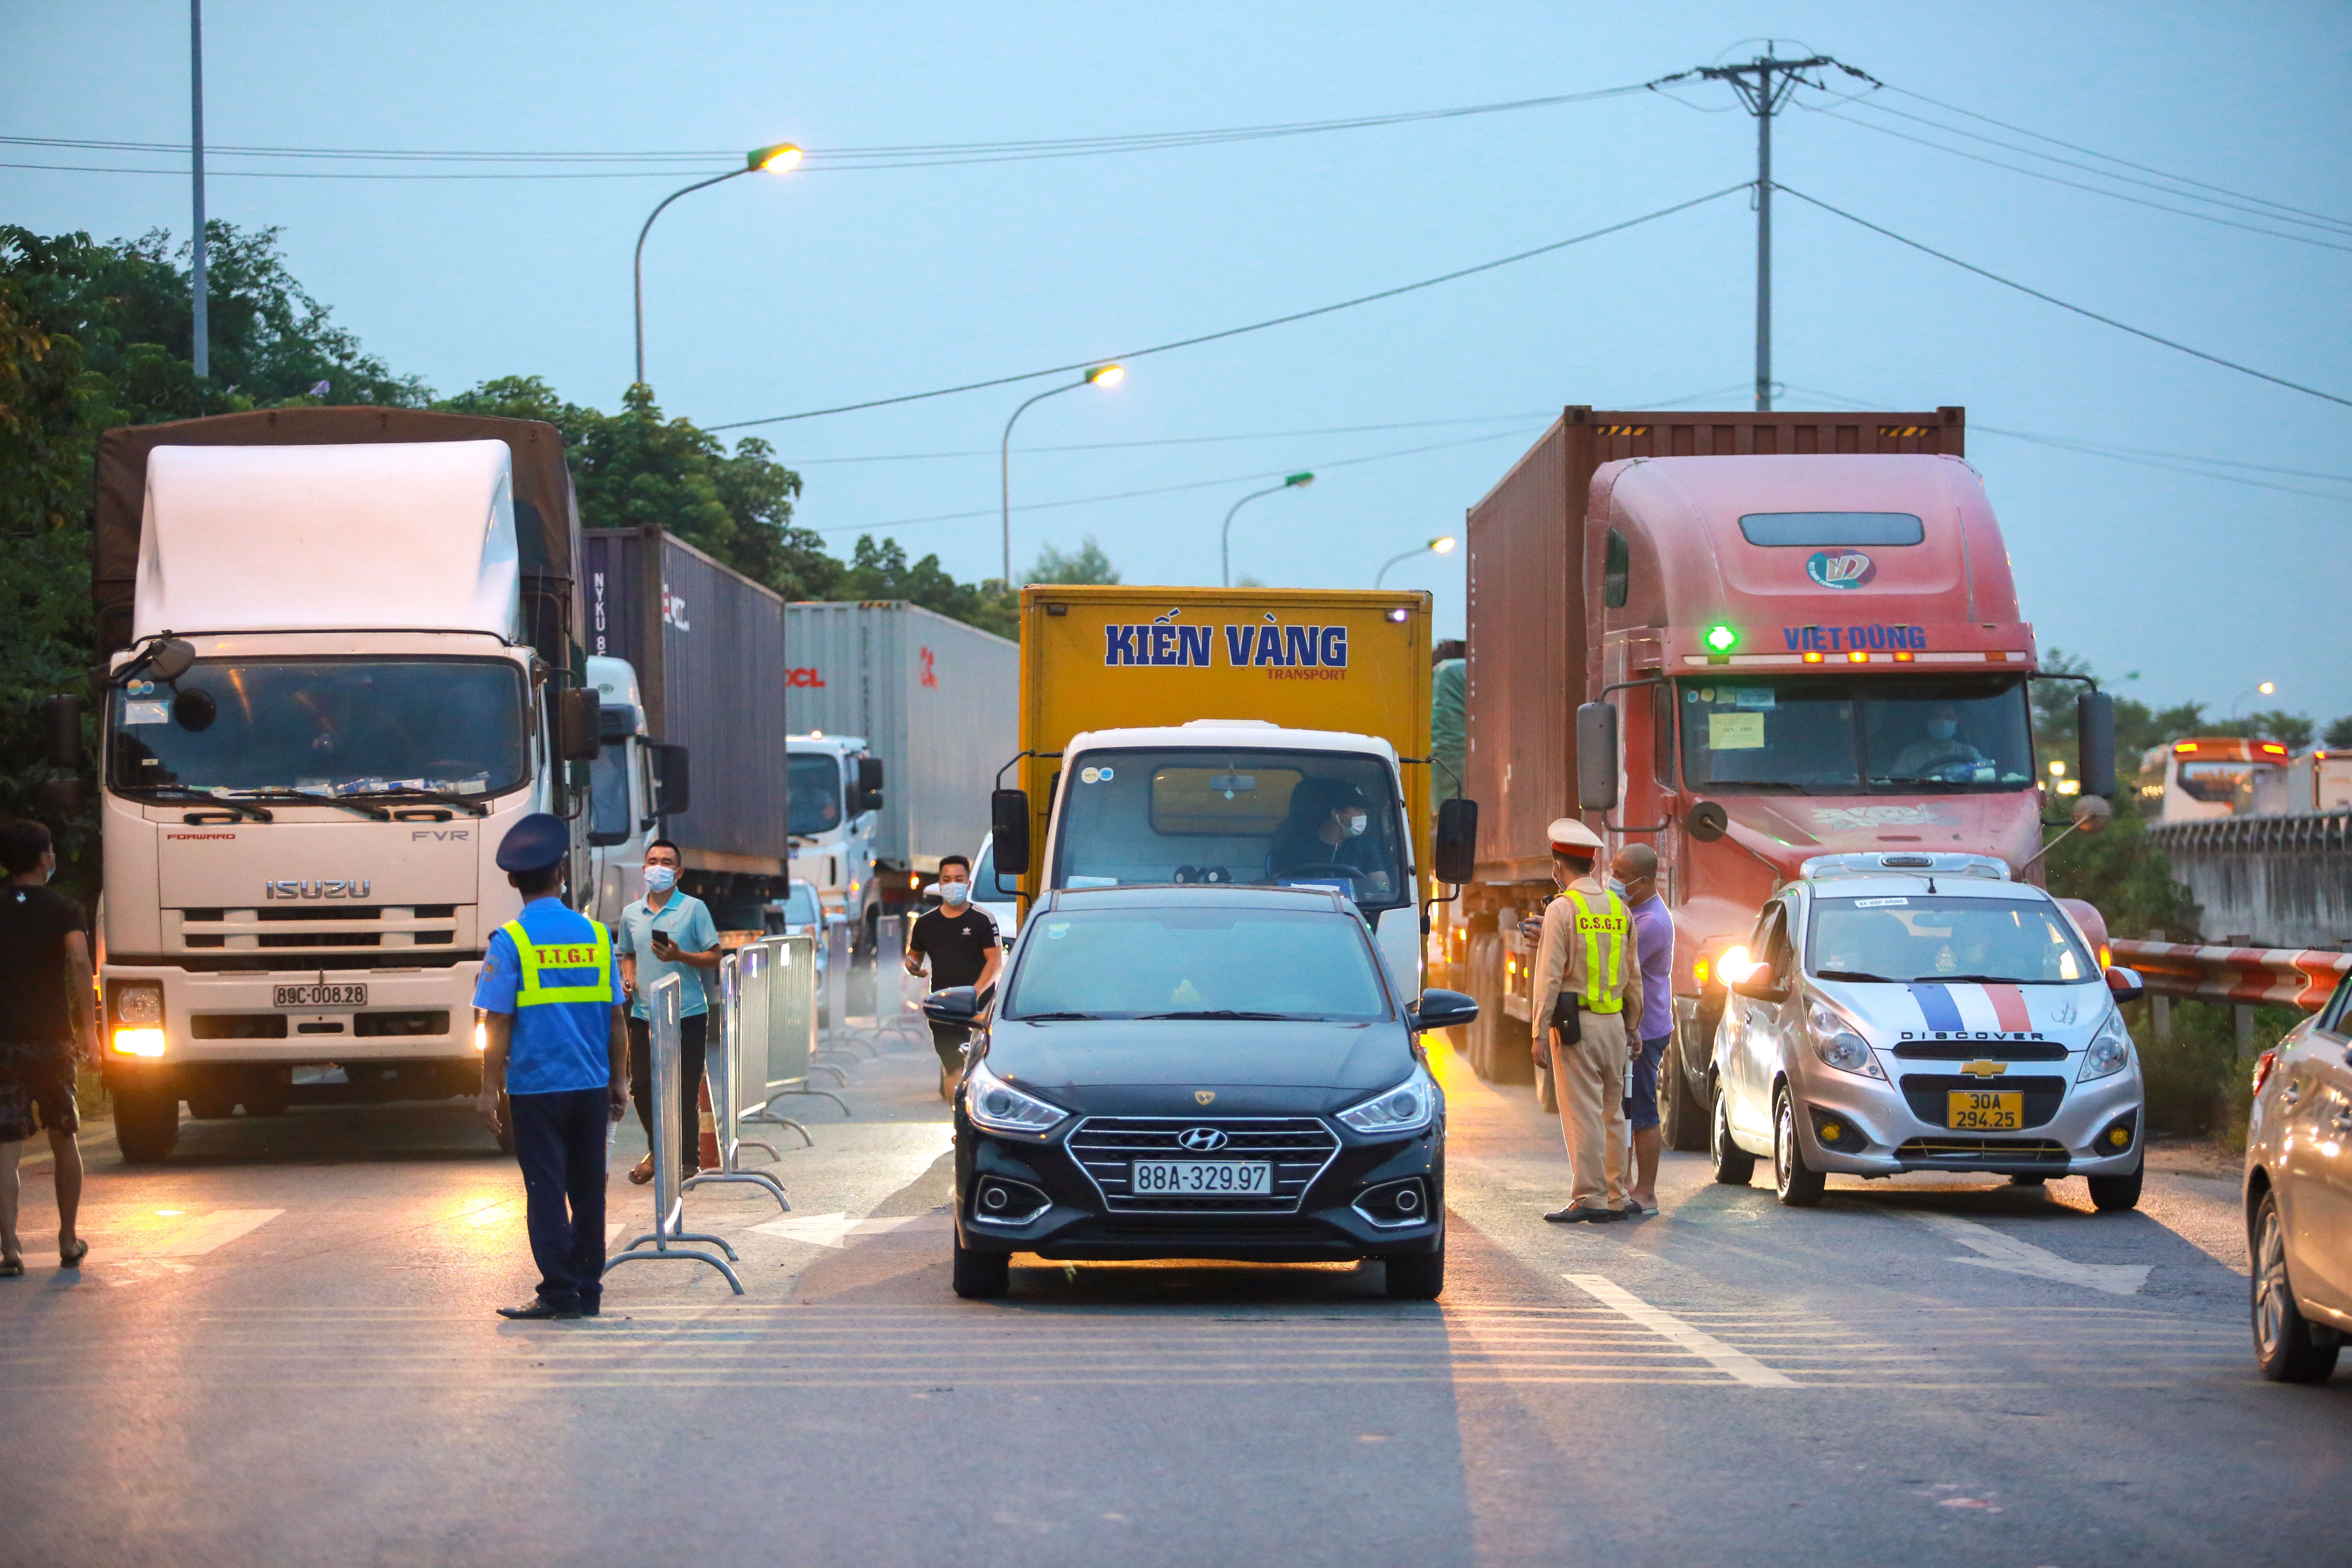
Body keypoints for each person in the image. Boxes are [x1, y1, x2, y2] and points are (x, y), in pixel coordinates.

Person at [473, 813, 629, 1321]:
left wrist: (487, 1088)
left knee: (545, 1193)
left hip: (537, 1090)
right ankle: (588, 1292)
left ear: (514, 881)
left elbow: (496, 1023)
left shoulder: (511, 943)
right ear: (562, 874)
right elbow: (616, 1020)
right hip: (590, 1085)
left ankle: (559, 1292)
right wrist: (620, 1080)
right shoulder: (597, 935)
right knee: (589, 1194)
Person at [1529, 817, 1643, 1224]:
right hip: (1614, 1026)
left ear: (1558, 866)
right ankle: (1615, 1195)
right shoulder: (1619, 909)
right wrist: (1633, 1026)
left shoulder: (1563, 910)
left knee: (1583, 1114)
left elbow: (1550, 977)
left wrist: (1538, 1032)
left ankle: (1590, 1197)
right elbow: (1634, 975)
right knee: (1613, 1113)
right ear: (1593, 866)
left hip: (1577, 1030)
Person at [0, 822, 96, 1277]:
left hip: (4, 1044)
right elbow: (79, 958)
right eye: (52, 850)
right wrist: (91, 1035)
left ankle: (10, 1249)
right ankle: (67, 1237)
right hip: (55, 1041)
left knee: (6, 1149)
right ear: (44, 859)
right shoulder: (64, 909)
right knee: (64, 1138)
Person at [613, 839, 722, 1186]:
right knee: (642, 1085)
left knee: (685, 1089)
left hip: (687, 1010)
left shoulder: (693, 909)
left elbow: (715, 956)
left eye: (666, 862)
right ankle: (660, 1151)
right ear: (644, 869)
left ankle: (688, 1161)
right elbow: (627, 954)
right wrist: (628, 978)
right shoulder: (632, 914)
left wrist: (679, 957)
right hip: (645, 1013)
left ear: (678, 872)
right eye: (652, 861)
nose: (658, 867)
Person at [907, 855, 1003, 1101]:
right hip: (943, 1008)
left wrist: (975, 993)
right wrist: (912, 965)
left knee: (980, 1068)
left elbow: (995, 961)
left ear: (968, 884)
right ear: (939, 885)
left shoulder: (982, 920)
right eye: (947, 880)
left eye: (958, 879)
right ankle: (958, 1123)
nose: (953, 885)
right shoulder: (926, 923)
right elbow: (915, 955)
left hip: (979, 1010)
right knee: (954, 1068)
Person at [1612, 843, 1675, 1216]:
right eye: (1614, 871)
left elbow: (1613, 963)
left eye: (1621, 875)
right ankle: (1626, 1185)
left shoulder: (1651, 923)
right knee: (1627, 1109)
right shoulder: (1634, 911)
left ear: (1645, 880)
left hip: (1645, 1030)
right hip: (1635, 1026)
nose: (1614, 881)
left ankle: (1646, 1192)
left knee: (1644, 1111)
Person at [1265, 778, 1388, 894]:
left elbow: (1382, 887)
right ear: (1336, 815)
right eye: (1358, 809)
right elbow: (1279, 885)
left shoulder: (1366, 846)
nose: (1364, 814)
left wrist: (1379, 889)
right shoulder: (1297, 846)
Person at [1891, 702, 1983, 778]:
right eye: (1937, 717)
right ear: (1928, 721)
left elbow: (1985, 777)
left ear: (1957, 722)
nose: (1943, 722)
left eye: (1949, 718)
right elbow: (1897, 786)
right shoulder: (1909, 756)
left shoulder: (1970, 753)